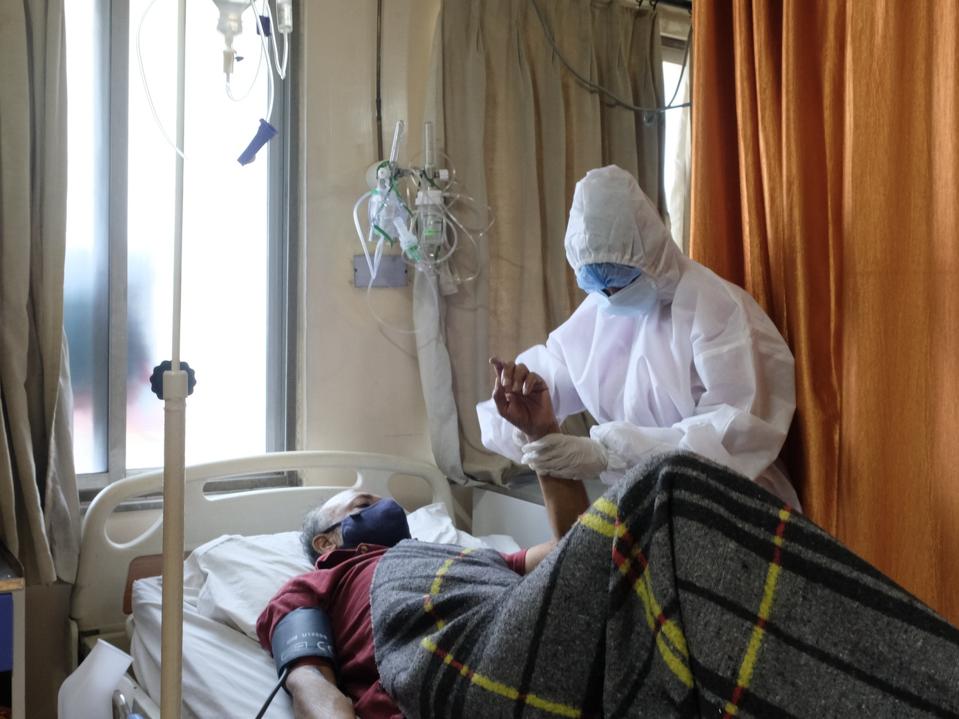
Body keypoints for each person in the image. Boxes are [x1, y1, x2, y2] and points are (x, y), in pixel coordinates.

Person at [256, 365, 587, 719]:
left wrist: (543, 435)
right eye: (365, 505)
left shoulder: (462, 558)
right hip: (451, 676)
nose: (388, 507)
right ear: (326, 543)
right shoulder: (312, 586)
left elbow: (576, 553)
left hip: (534, 642)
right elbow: (309, 682)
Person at [477, 164, 801, 508]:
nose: (612, 294)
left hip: (731, 505)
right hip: (646, 502)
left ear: (652, 252)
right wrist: (519, 413)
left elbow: (734, 439)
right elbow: (556, 368)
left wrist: (609, 454)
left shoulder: (718, 311)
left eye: (620, 278)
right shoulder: (602, 310)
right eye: (598, 284)